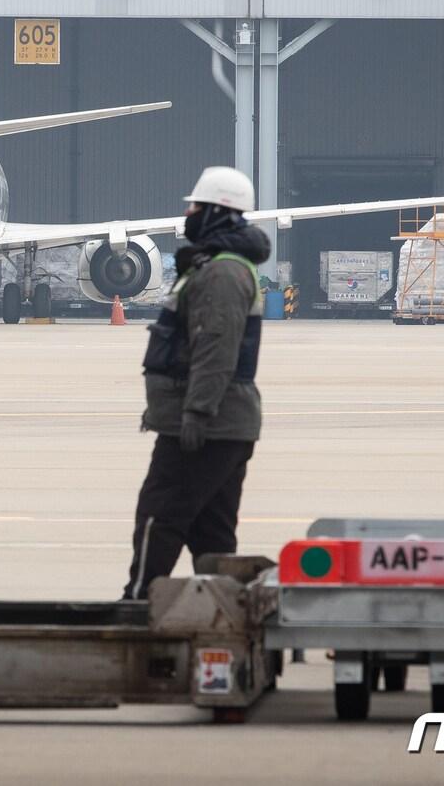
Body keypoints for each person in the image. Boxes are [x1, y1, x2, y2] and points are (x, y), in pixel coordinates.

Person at [123, 166, 270, 600]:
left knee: (160, 517)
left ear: (217, 213)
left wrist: (196, 411)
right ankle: (223, 608)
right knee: (212, 534)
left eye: (195, 206)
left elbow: (216, 348)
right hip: (225, 424)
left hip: (207, 425)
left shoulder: (223, 273)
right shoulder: (217, 266)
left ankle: (140, 602)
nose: (187, 213)